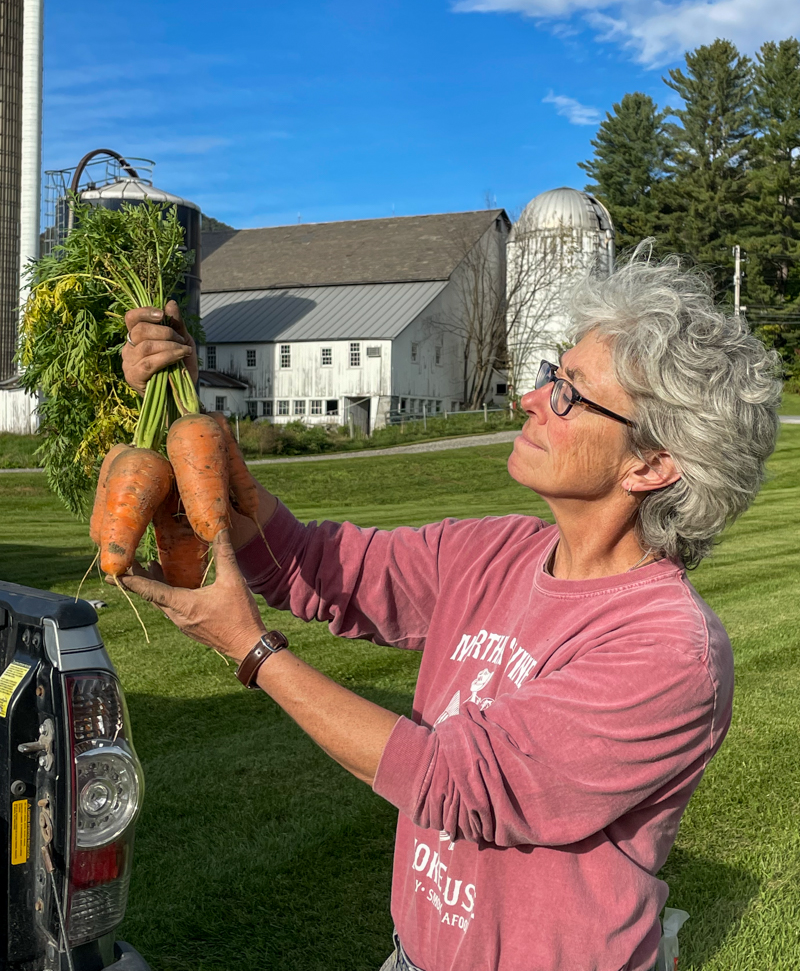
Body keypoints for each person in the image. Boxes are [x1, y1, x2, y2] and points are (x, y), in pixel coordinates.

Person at [118, 257, 781, 971]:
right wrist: (189, 417)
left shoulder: (670, 649)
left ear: (651, 466)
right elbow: (314, 566)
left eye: (568, 393)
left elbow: (454, 781)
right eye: (550, 371)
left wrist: (254, 652)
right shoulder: (496, 550)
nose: (530, 398)